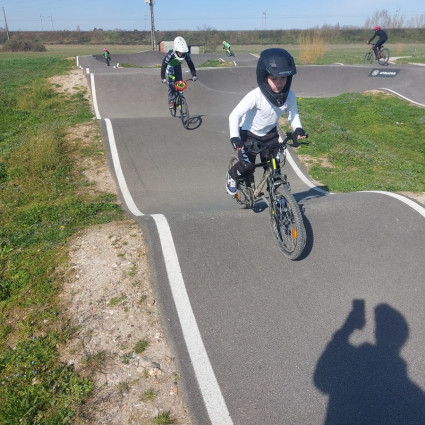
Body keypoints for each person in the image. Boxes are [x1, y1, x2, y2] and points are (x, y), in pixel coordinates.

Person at [226, 48, 307, 195]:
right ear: (264, 77)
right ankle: (232, 175)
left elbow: (292, 114)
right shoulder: (255, 95)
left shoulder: (289, 96)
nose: (279, 83)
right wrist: (235, 138)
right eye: (274, 79)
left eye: (283, 78)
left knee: (274, 167)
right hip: (249, 134)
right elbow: (234, 115)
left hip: (270, 135)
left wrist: (298, 128)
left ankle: (277, 195)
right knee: (248, 166)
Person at [161, 36, 197, 109]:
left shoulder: (186, 54)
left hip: (177, 66)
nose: (181, 54)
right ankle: (171, 100)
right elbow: (164, 65)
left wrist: (194, 75)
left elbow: (190, 64)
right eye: (180, 52)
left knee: (180, 82)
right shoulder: (171, 54)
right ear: (176, 49)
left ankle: (180, 96)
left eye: (182, 52)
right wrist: (163, 78)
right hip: (170, 67)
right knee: (171, 83)